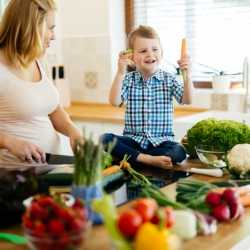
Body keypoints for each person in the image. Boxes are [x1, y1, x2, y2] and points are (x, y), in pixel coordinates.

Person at [0, 0, 82, 170]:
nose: (54, 35)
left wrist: (72, 130)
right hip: (14, 179)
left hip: (52, 172)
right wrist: (9, 142)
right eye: (50, 28)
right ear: (31, 26)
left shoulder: (37, 60)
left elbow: (54, 109)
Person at [101, 25, 192, 169]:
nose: (150, 54)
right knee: (105, 139)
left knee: (179, 151)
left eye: (155, 49)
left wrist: (188, 75)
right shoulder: (128, 79)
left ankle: (134, 158)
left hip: (161, 143)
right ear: (132, 57)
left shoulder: (170, 79)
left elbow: (187, 100)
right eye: (143, 51)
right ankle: (147, 160)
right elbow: (114, 101)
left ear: (161, 53)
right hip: (133, 142)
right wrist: (120, 72)